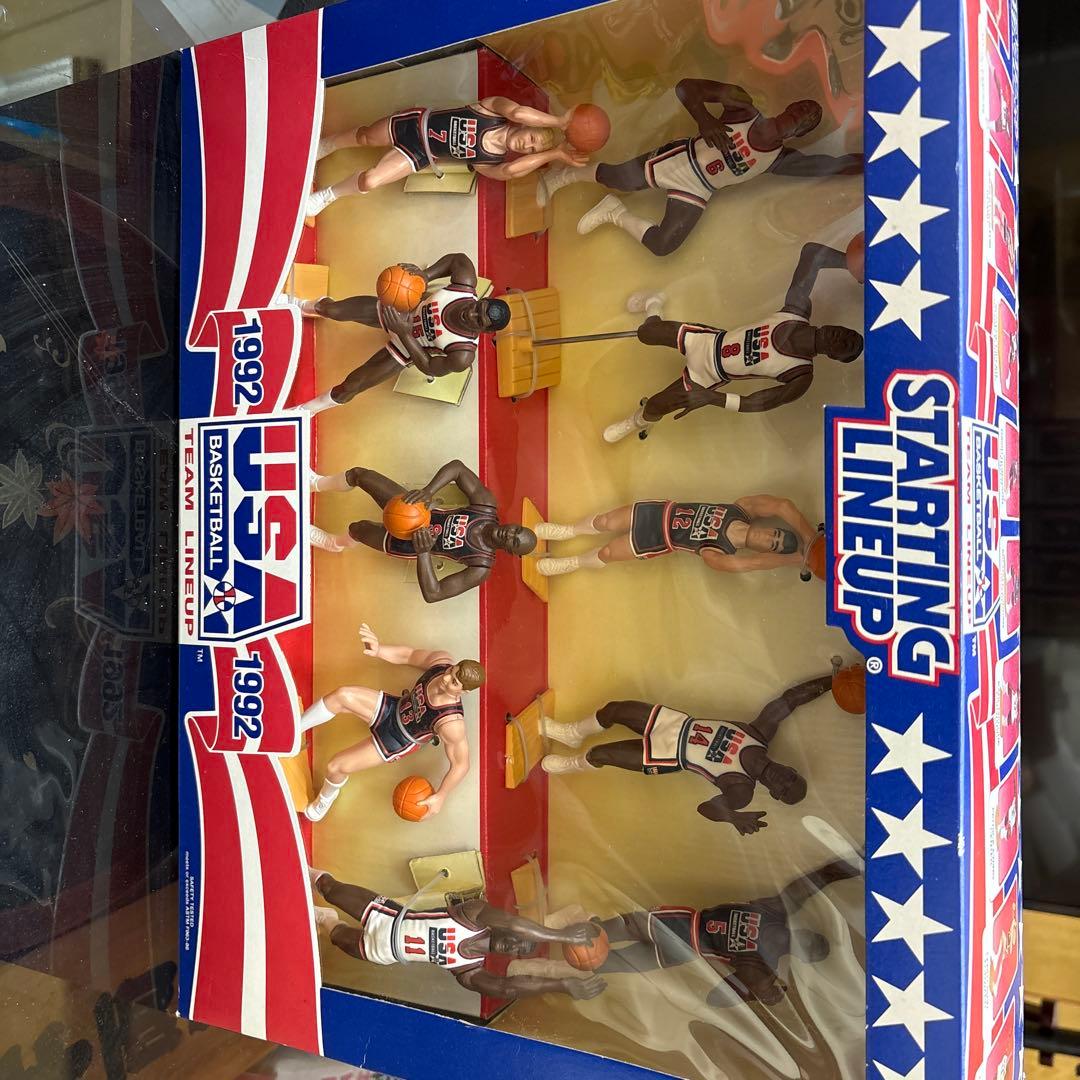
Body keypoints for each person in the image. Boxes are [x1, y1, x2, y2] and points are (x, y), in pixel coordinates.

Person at [538, 78, 862, 256]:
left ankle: (615, 213)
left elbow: (835, 165)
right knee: (616, 178)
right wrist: (705, 119)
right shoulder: (742, 106)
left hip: (699, 189)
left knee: (664, 245)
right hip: (682, 160)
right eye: (803, 108)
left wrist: (879, 166)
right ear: (791, 105)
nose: (803, 115)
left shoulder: (779, 159)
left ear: (801, 133)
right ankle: (562, 176)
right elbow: (686, 87)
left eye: (808, 120)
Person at [602, 243, 863, 443]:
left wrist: (711, 397)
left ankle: (638, 422)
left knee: (656, 405)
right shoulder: (797, 310)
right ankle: (654, 303)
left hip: (710, 374)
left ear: (835, 357)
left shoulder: (801, 375)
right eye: (848, 333)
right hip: (707, 341)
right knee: (646, 333)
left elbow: (755, 402)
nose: (844, 337)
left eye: (846, 345)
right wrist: (857, 265)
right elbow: (812, 253)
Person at [540, 666, 842, 835]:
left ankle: (571, 764)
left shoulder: (742, 789)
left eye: (783, 789)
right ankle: (572, 733)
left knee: (602, 755)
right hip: (677, 723)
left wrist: (733, 818)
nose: (782, 780)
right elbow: (791, 699)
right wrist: (834, 681)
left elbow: (706, 808)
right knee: (614, 709)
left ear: (774, 794)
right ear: (790, 768)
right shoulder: (760, 733)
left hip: (669, 755)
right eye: (791, 778)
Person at [512, 861, 860, 1006]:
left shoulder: (775, 915)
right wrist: (765, 994)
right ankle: (552, 928)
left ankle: (529, 962)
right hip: (676, 932)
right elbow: (717, 999)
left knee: (594, 959)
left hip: (676, 941)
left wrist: (854, 863)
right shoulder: (763, 964)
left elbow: (815, 880)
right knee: (592, 941)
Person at [309, 868, 607, 1002]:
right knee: (330, 888)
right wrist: (559, 936)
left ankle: (322, 917)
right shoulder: (474, 915)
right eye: (519, 935)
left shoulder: (469, 970)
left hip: (382, 952)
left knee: (335, 935)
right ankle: (303, 868)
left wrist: (562, 985)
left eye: (518, 947)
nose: (514, 941)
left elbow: (507, 989)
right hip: (385, 916)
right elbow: (514, 923)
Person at [300, 623, 480, 822]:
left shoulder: (451, 722)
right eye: (451, 671)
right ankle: (294, 730)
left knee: (336, 766)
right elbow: (409, 655)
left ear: (464, 691)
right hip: (393, 708)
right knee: (342, 696)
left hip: (399, 739)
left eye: (454, 682)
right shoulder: (440, 663)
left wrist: (442, 795)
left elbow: (461, 764)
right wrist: (379, 650)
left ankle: (324, 799)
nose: (446, 678)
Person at [294, 253, 510, 411]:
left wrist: (405, 334)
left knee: (351, 387)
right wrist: (425, 276)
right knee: (332, 310)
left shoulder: (463, 354)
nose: (470, 314)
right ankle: (299, 305)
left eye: (478, 321)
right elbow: (458, 259)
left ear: (484, 331)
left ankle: (305, 411)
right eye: (477, 308)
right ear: (481, 299)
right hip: (402, 310)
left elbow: (429, 366)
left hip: (407, 348)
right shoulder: (464, 284)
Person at [306, 96, 589, 215]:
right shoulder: (491, 110)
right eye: (533, 139)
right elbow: (518, 111)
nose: (527, 145)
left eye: (532, 149)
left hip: (420, 153)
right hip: (415, 124)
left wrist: (554, 153)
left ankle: (326, 196)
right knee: (366, 136)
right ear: (528, 126)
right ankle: (328, 145)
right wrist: (559, 122)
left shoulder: (490, 160)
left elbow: (511, 171)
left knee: (370, 181)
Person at [307, 459, 537, 602]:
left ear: (510, 551)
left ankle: (333, 543)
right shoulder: (486, 506)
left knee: (358, 529)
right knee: (360, 474)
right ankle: (315, 483)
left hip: (408, 543)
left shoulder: (480, 567)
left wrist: (423, 552)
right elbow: (457, 468)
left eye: (514, 541)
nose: (510, 534)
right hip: (413, 508)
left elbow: (433, 594)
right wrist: (428, 491)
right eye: (516, 530)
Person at [533, 493, 818, 579]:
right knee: (605, 521)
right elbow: (783, 505)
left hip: (659, 538)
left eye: (772, 544)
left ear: (765, 549)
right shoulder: (742, 509)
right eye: (776, 533)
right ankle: (567, 530)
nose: (769, 536)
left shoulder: (719, 552)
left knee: (607, 553)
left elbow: (752, 564)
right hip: (660, 511)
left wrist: (796, 560)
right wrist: (810, 536)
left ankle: (572, 562)